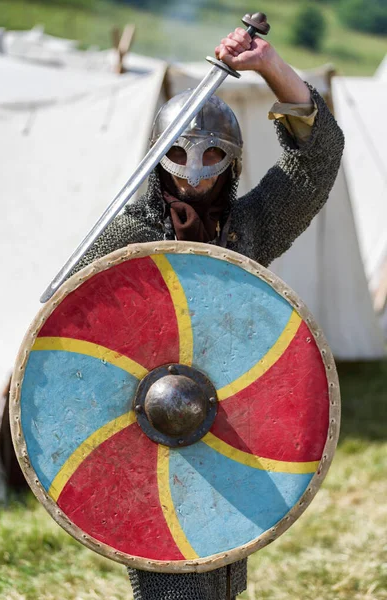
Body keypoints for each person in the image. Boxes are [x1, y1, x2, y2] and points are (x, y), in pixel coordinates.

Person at [75, 27, 344, 600]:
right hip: (144, 424)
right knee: (172, 578)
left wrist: (269, 64)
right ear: (156, 156)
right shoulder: (127, 239)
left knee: (219, 570)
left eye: (212, 154)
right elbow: (76, 343)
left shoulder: (244, 229)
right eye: (177, 151)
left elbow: (314, 161)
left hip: (224, 418)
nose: (194, 168)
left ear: (234, 162)